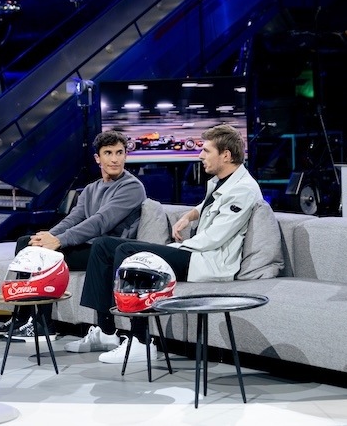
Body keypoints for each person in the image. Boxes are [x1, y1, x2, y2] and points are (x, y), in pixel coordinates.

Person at [78, 123, 263, 364]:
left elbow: (215, 237)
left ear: (225, 155)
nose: (200, 155)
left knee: (130, 252)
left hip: (209, 262)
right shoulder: (223, 181)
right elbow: (208, 206)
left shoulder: (244, 189)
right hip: (199, 254)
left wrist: (175, 248)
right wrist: (188, 216)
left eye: (206, 151)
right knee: (103, 245)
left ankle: (141, 342)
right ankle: (106, 330)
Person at [0, 130, 146, 342]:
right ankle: (21, 318)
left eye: (119, 152)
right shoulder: (91, 189)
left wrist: (59, 241)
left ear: (126, 155)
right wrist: (48, 236)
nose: (115, 159)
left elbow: (100, 222)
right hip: (89, 247)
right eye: (108, 153)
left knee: (46, 255)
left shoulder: (132, 187)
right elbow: (73, 219)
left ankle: (43, 326)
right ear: (97, 158)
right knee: (26, 243)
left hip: (108, 251)